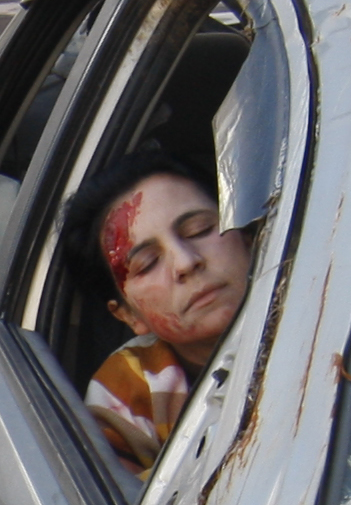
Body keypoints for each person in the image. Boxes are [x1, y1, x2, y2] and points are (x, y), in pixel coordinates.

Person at [67, 150, 255, 476]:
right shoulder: (126, 392)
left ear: (247, 233)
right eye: (147, 264)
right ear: (128, 315)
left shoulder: (336, 295)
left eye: (199, 230)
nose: (186, 262)